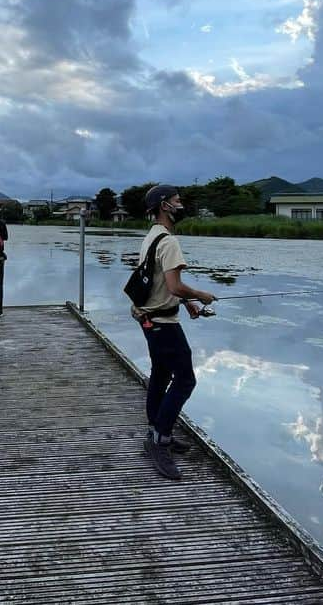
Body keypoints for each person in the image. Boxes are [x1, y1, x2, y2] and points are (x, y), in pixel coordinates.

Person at [133, 184, 217, 480]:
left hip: (150, 319)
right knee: (185, 379)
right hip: (164, 324)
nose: (181, 205)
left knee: (161, 373)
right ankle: (159, 439)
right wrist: (199, 295)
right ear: (165, 205)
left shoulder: (151, 237)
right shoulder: (169, 241)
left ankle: (158, 433)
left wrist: (187, 303)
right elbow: (173, 285)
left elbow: (157, 282)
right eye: (177, 201)